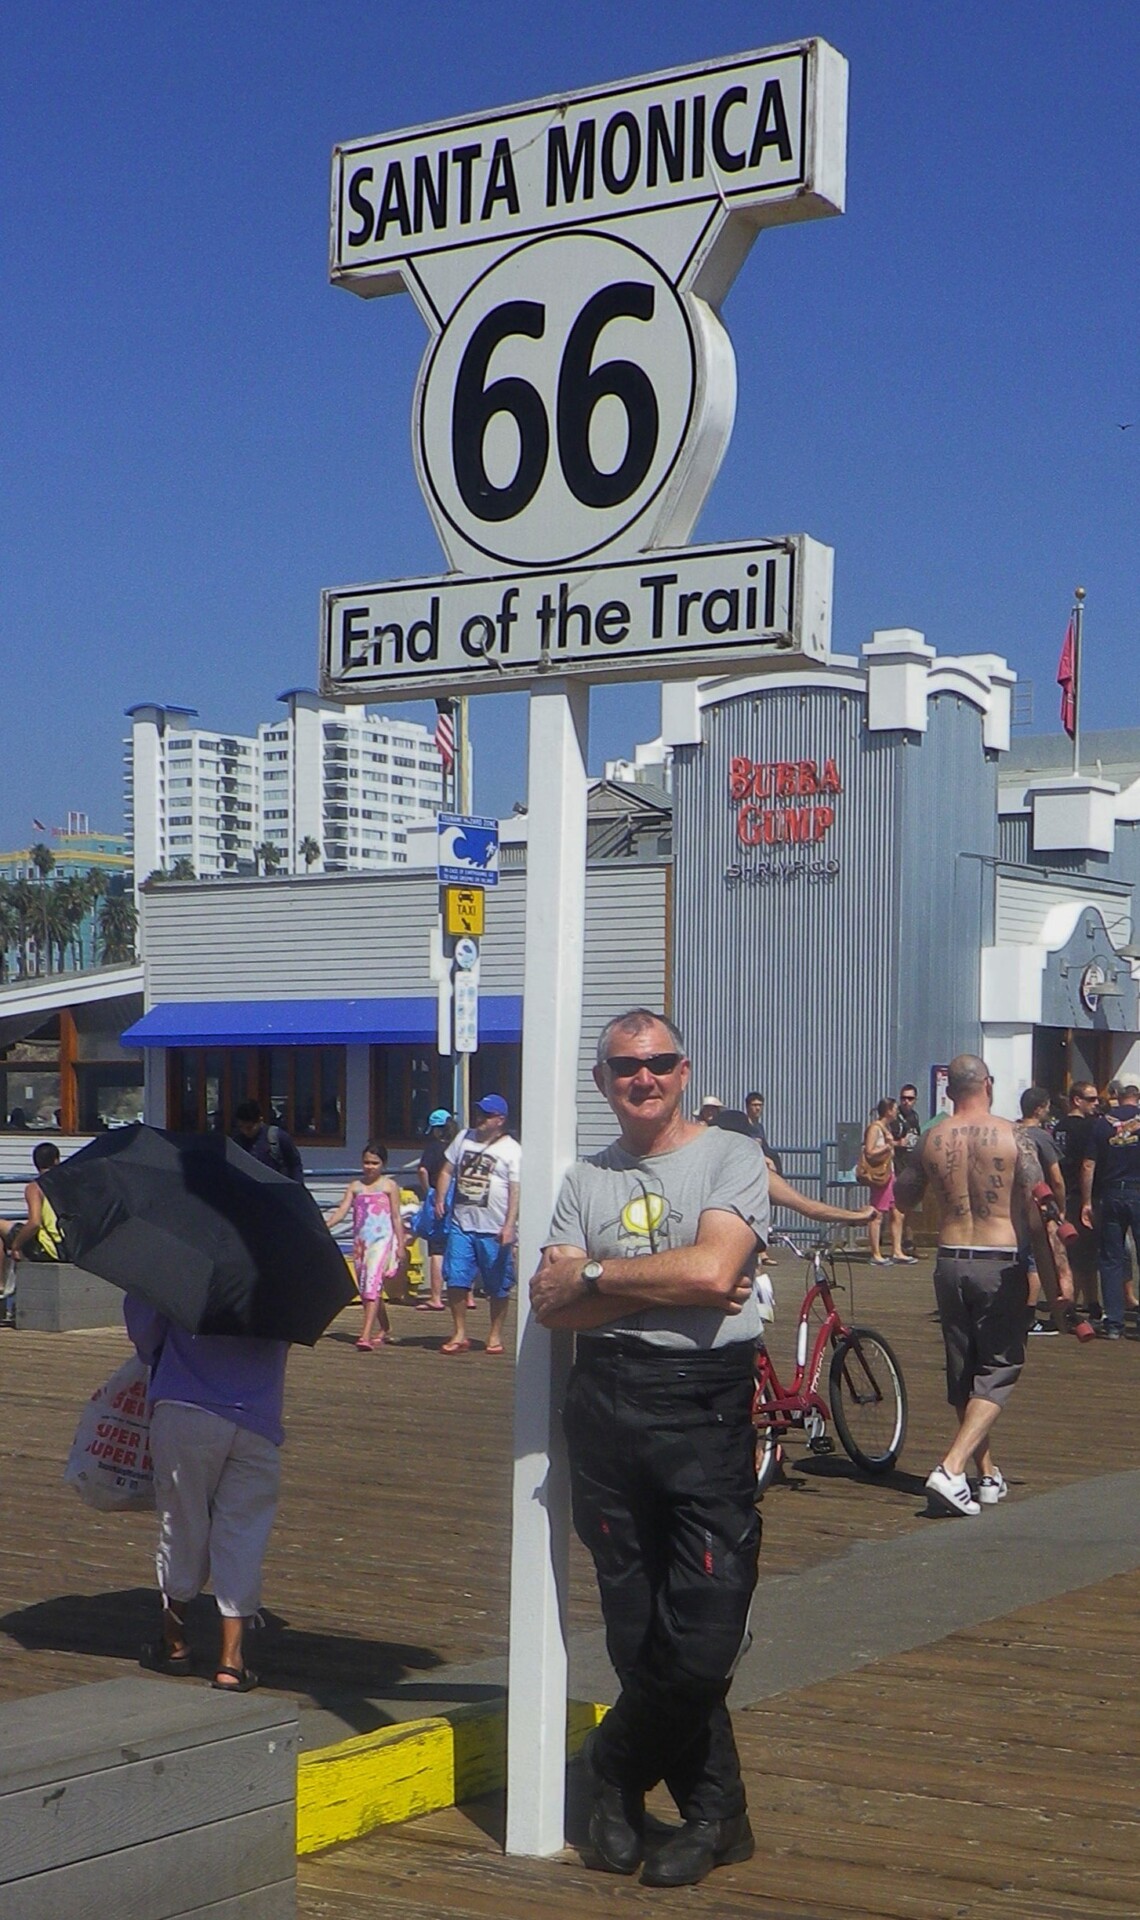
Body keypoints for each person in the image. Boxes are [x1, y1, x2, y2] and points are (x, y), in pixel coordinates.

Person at [530, 1009, 766, 1889]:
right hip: (606, 1404)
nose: (645, 1078)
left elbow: (715, 1273)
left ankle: (612, 1768)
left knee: (704, 1631)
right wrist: (672, 1283)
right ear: (603, 1081)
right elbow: (551, 1303)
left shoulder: (731, 1154)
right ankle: (716, 1815)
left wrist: (598, 1273)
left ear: (683, 1070)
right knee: (636, 1631)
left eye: (661, 1062)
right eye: (627, 1066)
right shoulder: (584, 1178)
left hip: (703, 1408)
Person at [896, 1053, 1055, 1519]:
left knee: (965, 1371)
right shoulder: (1014, 1136)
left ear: (949, 1092)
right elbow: (1038, 1209)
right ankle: (951, 1468)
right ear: (988, 1084)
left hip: (950, 1261)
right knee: (1000, 1367)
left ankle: (986, 1475)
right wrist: (1054, 1277)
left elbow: (904, 1196)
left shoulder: (931, 1137)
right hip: (998, 1261)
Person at [125, 1296, 288, 1691]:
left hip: (186, 1409)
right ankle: (231, 1662)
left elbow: (145, 1333)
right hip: (256, 1419)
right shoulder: (284, 1276)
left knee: (182, 1523)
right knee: (243, 1535)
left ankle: (174, 1643)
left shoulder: (180, 1268)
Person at [435, 1094, 520, 1355]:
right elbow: (446, 1170)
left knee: (498, 1285)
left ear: (500, 1120)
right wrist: (440, 1198)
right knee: (456, 1278)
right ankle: (459, 1332)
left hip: (493, 1229)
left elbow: (515, 1190)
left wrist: (509, 1225)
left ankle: (494, 1335)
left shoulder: (512, 1150)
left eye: (487, 1114)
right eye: (479, 1113)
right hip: (462, 1223)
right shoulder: (463, 1138)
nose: (480, 1118)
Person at [325, 1140, 406, 1350]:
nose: (370, 1167)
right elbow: (342, 1211)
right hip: (361, 1244)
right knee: (367, 1288)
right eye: (366, 1162)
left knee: (371, 1283)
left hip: (382, 1241)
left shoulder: (389, 1186)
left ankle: (365, 1335)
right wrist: (326, 1225)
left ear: (383, 1164)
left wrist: (400, 1244)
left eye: (375, 1163)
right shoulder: (355, 1186)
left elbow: (396, 1217)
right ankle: (385, 1327)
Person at [1015, 1087, 1077, 1336]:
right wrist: (1061, 1208)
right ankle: (1030, 1316)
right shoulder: (1042, 1137)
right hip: (1040, 1204)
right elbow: (1057, 1179)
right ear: (1039, 1108)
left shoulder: (1012, 1132)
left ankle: (1013, 1310)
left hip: (1013, 1205)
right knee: (1037, 1261)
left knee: (1019, 1256)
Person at [1084, 1080, 1140, 1340]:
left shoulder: (1101, 1123)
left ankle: (1114, 1323)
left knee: (1111, 1259)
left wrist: (1086, 1201)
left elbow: (1088, 1165)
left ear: (1118, 1095)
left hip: (1111, 1192)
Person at [1052, 1082, 1103, 1321]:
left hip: (1065, 1193)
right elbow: (1088, 1165)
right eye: (1091, 1099)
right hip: (1082, 1195)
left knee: (1076, 1251)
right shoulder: (1090, 1127)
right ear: (1076, 1100)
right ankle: (1081, 1302)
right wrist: (1088, 1200)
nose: (1096, 1103)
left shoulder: (1059, 1127)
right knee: (1084, 1254)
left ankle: (1087, 1301)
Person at [862, 1099, 912, 1264]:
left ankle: (897, 1251)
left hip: (890, 1172)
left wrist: (895, 1144)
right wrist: (888, 1146)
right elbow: (869, 1151)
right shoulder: (875, 1128)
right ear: (888, 1110)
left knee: (896, 1210)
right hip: (880, 1175)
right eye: (895, 1108)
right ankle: (876, 1254)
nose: (897, 1111)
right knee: (877, 1212)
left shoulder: (885, 1128)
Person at [414, 1109, 454, 1313]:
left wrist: (427, 1189)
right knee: (460, 1245)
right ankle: (468, 1297)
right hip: (458, 1198)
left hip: (439, 1196)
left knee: (437, 1248)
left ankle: (436, 1297)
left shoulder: (434, 1147)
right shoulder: (457, 1146)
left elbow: (422, 1169)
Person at [2, 1140, 65, 1268]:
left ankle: (1, 1279)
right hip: (72, 1247)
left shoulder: (35, 1188)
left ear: (35, 1163)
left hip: (50, 1249)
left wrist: (16, 1246)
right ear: (56, 1161)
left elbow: (34, 1223)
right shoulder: (70, 1184)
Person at [230, 1100, 304, 1183]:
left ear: (260, 1121)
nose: (245, 1132)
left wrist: (297, 1186)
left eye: (249, 1128)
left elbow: (295, 1165)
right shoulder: (237, 1142)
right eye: (241, 1127)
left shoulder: (278, 1137)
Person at [743, 1092, 782, 1176]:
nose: (758, 1108)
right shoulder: (743, 1126)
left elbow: (765, 1148)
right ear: (747, 1107)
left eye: (760, 1105)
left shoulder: (759, 1127)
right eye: (754, 1105)